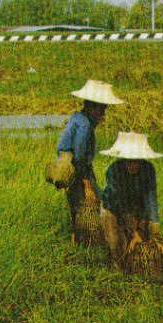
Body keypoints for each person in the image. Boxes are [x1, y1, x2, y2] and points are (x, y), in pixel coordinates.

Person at [55, 80, 123, 243]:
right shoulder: (85, 124)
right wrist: (87, 184)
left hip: (72, 166)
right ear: (94, 107)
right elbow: (79, 156)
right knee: (94, 202)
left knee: (76, 205)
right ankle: (89, 239)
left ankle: (78, 239)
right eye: (102, 109)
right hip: (77, 169)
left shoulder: (76, 116)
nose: (103, 114)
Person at [99, 132, 163, 268]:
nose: (132, 165)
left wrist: (155, 233)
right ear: (123, 159)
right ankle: (116, 270)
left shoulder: (148, 169)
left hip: (136, 210)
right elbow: (120, 203)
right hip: (113, 209)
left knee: (143, 243)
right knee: (118, 245)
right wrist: (133, 233)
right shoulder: (113, 170)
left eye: (136, 161)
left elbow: (150, 199)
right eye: (129, 160)